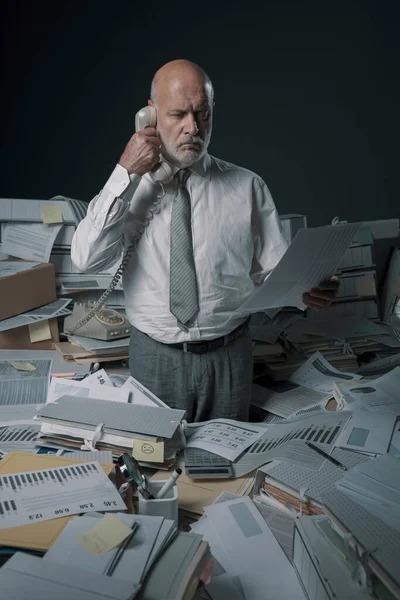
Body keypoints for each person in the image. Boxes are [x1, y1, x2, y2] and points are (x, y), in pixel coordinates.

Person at [71, 59, 339, 422]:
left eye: (202, 113)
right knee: (157, 468)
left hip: (230, 358)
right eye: (178, 114)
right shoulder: (128, 189)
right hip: (154, 357)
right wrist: (125, 173)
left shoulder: (248, 187)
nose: (192, 128)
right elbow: (86, 259)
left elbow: (276, 277)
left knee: (226, 471)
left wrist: (307, 290)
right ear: (149, 117)